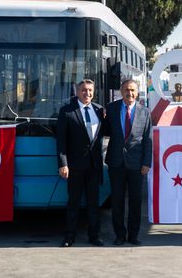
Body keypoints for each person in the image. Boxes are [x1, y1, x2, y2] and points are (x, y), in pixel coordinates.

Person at [56, 79, 105, 247]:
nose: (87, 93)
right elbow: (61, 140)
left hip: (94, 166)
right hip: (74, 166)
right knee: (73, 203)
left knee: (93, 203)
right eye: (84, 90)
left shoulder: (99, 110)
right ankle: (69, 237)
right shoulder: (67, 111)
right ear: (77, 91)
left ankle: (94, 236)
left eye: (90, 90)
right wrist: (63, 164)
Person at [104, 79, 152, 246]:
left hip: (137, 165)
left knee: (135, 201)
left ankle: (133, 235)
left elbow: (148, 139)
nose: (129, 93)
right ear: (121, 91)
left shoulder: (145, 112)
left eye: (132, 90)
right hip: (116, 163)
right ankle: (119, 235)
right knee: (117, 201)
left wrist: (147, 163)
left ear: (137, 93)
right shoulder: (110, 109)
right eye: (126, 90)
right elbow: (104, 131)